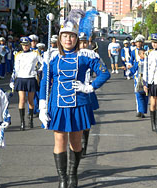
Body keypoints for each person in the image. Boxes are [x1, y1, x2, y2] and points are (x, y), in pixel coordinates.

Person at [39, 9, 110, 188]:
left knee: (76, 141)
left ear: (76, 38)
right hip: (57, 104)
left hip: (79, 103)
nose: (68, 39)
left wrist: (90, 87)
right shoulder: (51, 56)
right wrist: (42, 106)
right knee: (59, 140)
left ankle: (72, 174)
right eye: (65, 36)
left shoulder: (86, 55)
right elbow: (45, 83)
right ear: (60, 39)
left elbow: (104, 73)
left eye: (71, 36)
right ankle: (62, 178)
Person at [10, 37, 42, 130]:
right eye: (23, 45)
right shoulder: (18, 55)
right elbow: (15, 69)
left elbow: (43, 63)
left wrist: (38, 70)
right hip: (21, 78)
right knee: (22, 100)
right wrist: (12, 80)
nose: (25, 46)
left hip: (31, 78)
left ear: (30, 44)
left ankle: (31, 120)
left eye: (27, 45)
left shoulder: (35, 54)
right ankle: (22, 122)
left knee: (31, 101)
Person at [126, 48, 148, 118]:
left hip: (147, 81)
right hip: (138, 81)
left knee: (146, 96)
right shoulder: (137, 63)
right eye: (143, 53)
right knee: (139, 96)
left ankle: (143, 111)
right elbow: (132, 70)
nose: (145, 55)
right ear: (139, 55)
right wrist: (128, 72)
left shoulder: (149, 63)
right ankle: (140, 111)